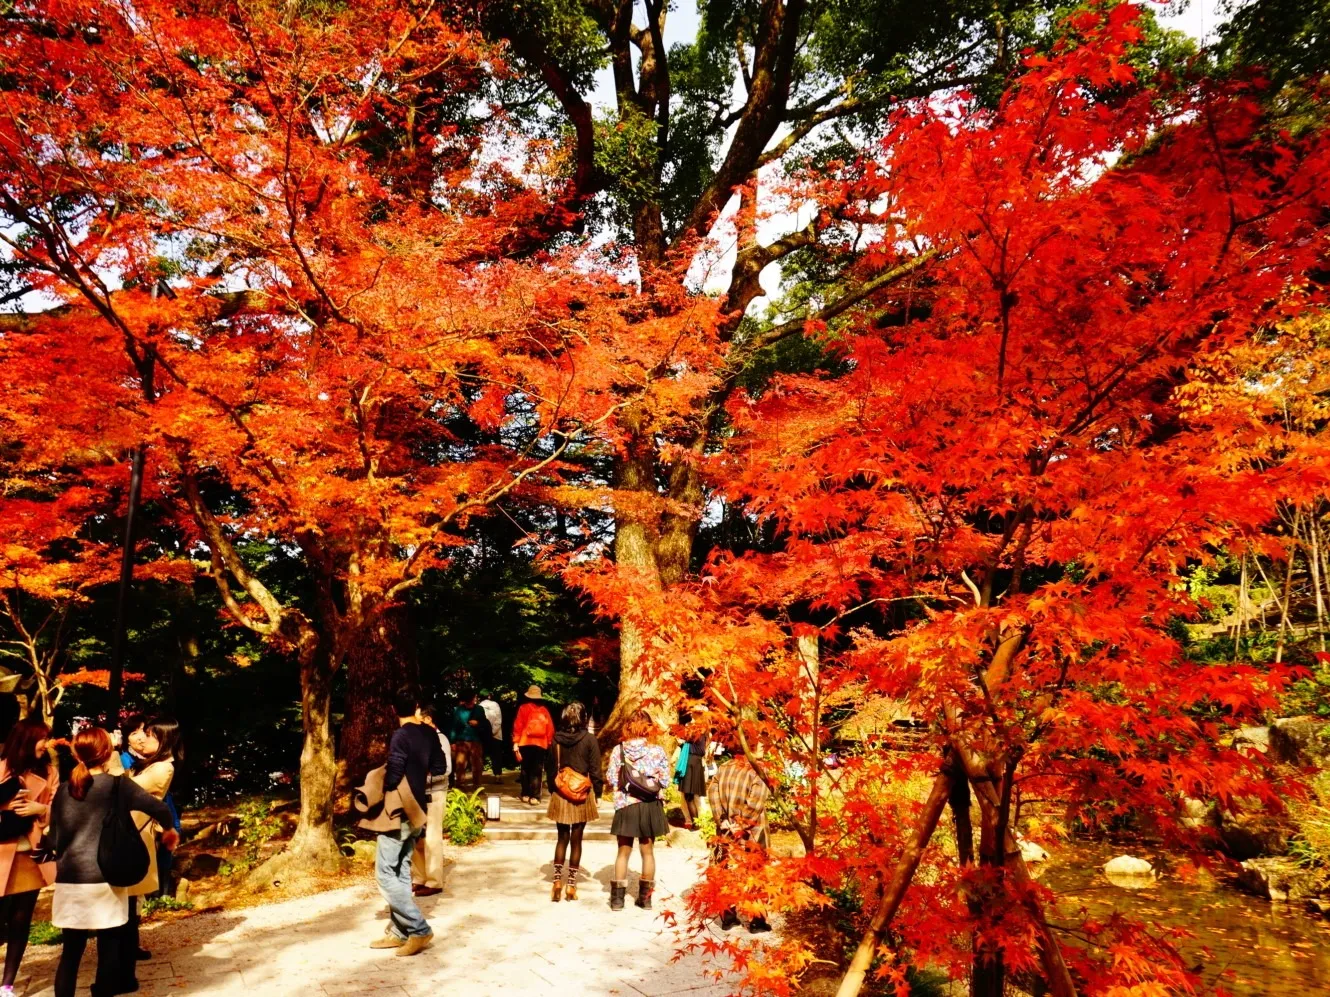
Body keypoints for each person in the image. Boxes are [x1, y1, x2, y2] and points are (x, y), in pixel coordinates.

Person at [49, 727, 177, 997]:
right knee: (108, 951)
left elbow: (53, 839)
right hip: (106, 879)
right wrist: (168, 831)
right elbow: (159, 808)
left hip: (70, 881)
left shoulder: (63, 790)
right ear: (108, 752)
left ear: (76, 754)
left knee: (70, 955)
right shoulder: (117, 786)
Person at [370, 688, 446, 956]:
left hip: (398, 811)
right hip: (418, 809)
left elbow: (393, 775)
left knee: (384, 873)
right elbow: (439, 768)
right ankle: (400, 932)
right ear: (416, 707)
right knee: (401, 870)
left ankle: (419, 929)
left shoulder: (400, 735)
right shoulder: (429, 733)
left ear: (394, 710)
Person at [0, 718, 58, 997]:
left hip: (29, 854)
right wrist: (6, 805)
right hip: (2, 850)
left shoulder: (49, 772)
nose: (46, 744)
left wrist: (40, 809)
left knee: (21, 920)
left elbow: (60, 808)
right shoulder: (2, 767)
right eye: (42, 738)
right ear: (27, 740)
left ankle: (7, 983)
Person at [124, 717, 181, 965]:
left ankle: (126, 950)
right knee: (129, 894)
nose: (143, 739)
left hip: (136, 836)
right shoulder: (149, 764)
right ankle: (126, 947)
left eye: (148, 735)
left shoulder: (163, 768)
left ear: (163, 740)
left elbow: (123, 787)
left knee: (131, 893)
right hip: (130, 834)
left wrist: (112, 754)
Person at [605, 711, 670, 911]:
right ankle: (645, 899)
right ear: (648, 727)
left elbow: (612, 778)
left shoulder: (618, 750)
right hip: (650, 805)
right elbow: (665, 781)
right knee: (647, 852)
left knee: (623, 852)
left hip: (626, 805)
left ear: (628, 727)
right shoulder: (657, 751)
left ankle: (617, 901)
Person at [707, 747, 772, 933]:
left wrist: (722, 819)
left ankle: (728, 917)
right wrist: (741, 823)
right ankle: (757, 920)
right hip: (753, 831)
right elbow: (756, 801)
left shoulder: (724, 767)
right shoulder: (757, 769)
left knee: (727, 869)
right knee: (756, 871)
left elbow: (712, 792)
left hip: (726, 828)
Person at [546, 702, 602, 902]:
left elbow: (550, 768)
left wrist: (553, 789)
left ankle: (556, 882)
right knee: (577, 839)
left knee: (562, 838)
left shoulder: (556, 739)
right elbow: (595, 770)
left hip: (561, 792)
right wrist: (598, 793)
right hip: (581, 794)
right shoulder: (590, 739)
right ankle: (571, 885)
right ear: (584, 718)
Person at [412, 704, 451, 898]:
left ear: (428, 719)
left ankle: (434, 881)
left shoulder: (440, 739)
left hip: (435, 794)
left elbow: (446, 770)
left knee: (432, 838)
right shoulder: (418, 738)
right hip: (417, 794)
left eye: (417, 718)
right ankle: (419, 877)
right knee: (417, 838)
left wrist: (419, 777)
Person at [511, 686, 554, 806]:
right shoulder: (544, 710)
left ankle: (525, 794)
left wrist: (516, 742)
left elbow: (518, 726)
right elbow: (550, 728)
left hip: (525, 742)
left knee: (525, 769)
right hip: (540, 744)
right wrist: (549, 743)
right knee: (537, 770)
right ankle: (535, 797)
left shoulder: (523, 708)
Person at [675, 716, 710, 831]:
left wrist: (684, 744)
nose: (692, 721)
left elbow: (700, 750)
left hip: (692, 764)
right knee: (689, 796)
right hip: (692, 763)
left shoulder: (699, 732)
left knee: (689, 796)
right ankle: (695, 823)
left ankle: (696, 824)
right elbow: (693, 746)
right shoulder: (700, 733)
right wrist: (682, 744)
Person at [449, 691, 483, 790]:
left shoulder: (479, 709)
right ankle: (460, 786)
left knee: (477, 765)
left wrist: (478, 723)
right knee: (460, 765)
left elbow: (484, 723)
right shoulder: (458, 710)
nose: (475, 698)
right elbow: (454, 726)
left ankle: (477, 786)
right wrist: (452, 741)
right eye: (474, 697)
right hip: (461, 740)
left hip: (476, 740)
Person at [477, 692, 504, 777]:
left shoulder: (478, 706)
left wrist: (485, 733)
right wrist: (492, 732)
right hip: (496, 735)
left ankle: (478, 775)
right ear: (489, 696)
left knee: (480, 755)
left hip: (482, 735)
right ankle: (497, 775)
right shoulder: (495, 705)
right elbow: (498, 720)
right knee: (496, 756)